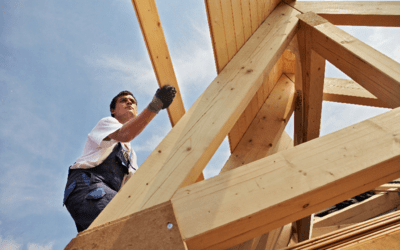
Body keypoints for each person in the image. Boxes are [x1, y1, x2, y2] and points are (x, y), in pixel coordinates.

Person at [63, 85, 176, 232]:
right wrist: (156, 105)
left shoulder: (130, 154)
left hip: (110, 193)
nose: (129, 103)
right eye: (124, 101)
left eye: (133, 101)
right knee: (125, 227)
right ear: (113, 110)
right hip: (87, 184)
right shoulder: (108, 124)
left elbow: (132, 188)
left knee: (133, 230)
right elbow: (124, 134)